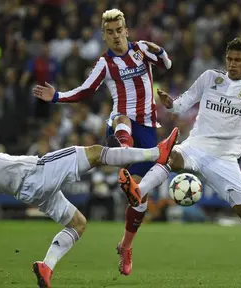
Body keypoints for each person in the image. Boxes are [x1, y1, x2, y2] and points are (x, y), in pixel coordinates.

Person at [118, 38, 241, 285]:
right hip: (196, 146)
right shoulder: (209, 78)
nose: (232, 65)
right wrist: (170, 103)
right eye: (229, 59)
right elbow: (182, 104)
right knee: (169, 156)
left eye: (238, 60)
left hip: (225, 160)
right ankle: (139, 191)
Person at [32, 8, 173, 275]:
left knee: (139, 199)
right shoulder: (104, 64)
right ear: (104, 37)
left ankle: (126, 245)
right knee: (122, 119)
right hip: (120, 125)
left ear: (126, 31)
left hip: (148, 128)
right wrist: (57, 96)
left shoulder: (141, 50)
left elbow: (167, 64)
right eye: (110, 32)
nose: (116, 36)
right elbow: (84, 91)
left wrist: (162, 52)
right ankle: (125, 154)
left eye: (120, 30)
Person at [0, 127, 178, 288]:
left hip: (25, 192)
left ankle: (46, 267)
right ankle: (157, 152)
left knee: (78, 224)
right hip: (34, 173)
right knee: (94, 153)